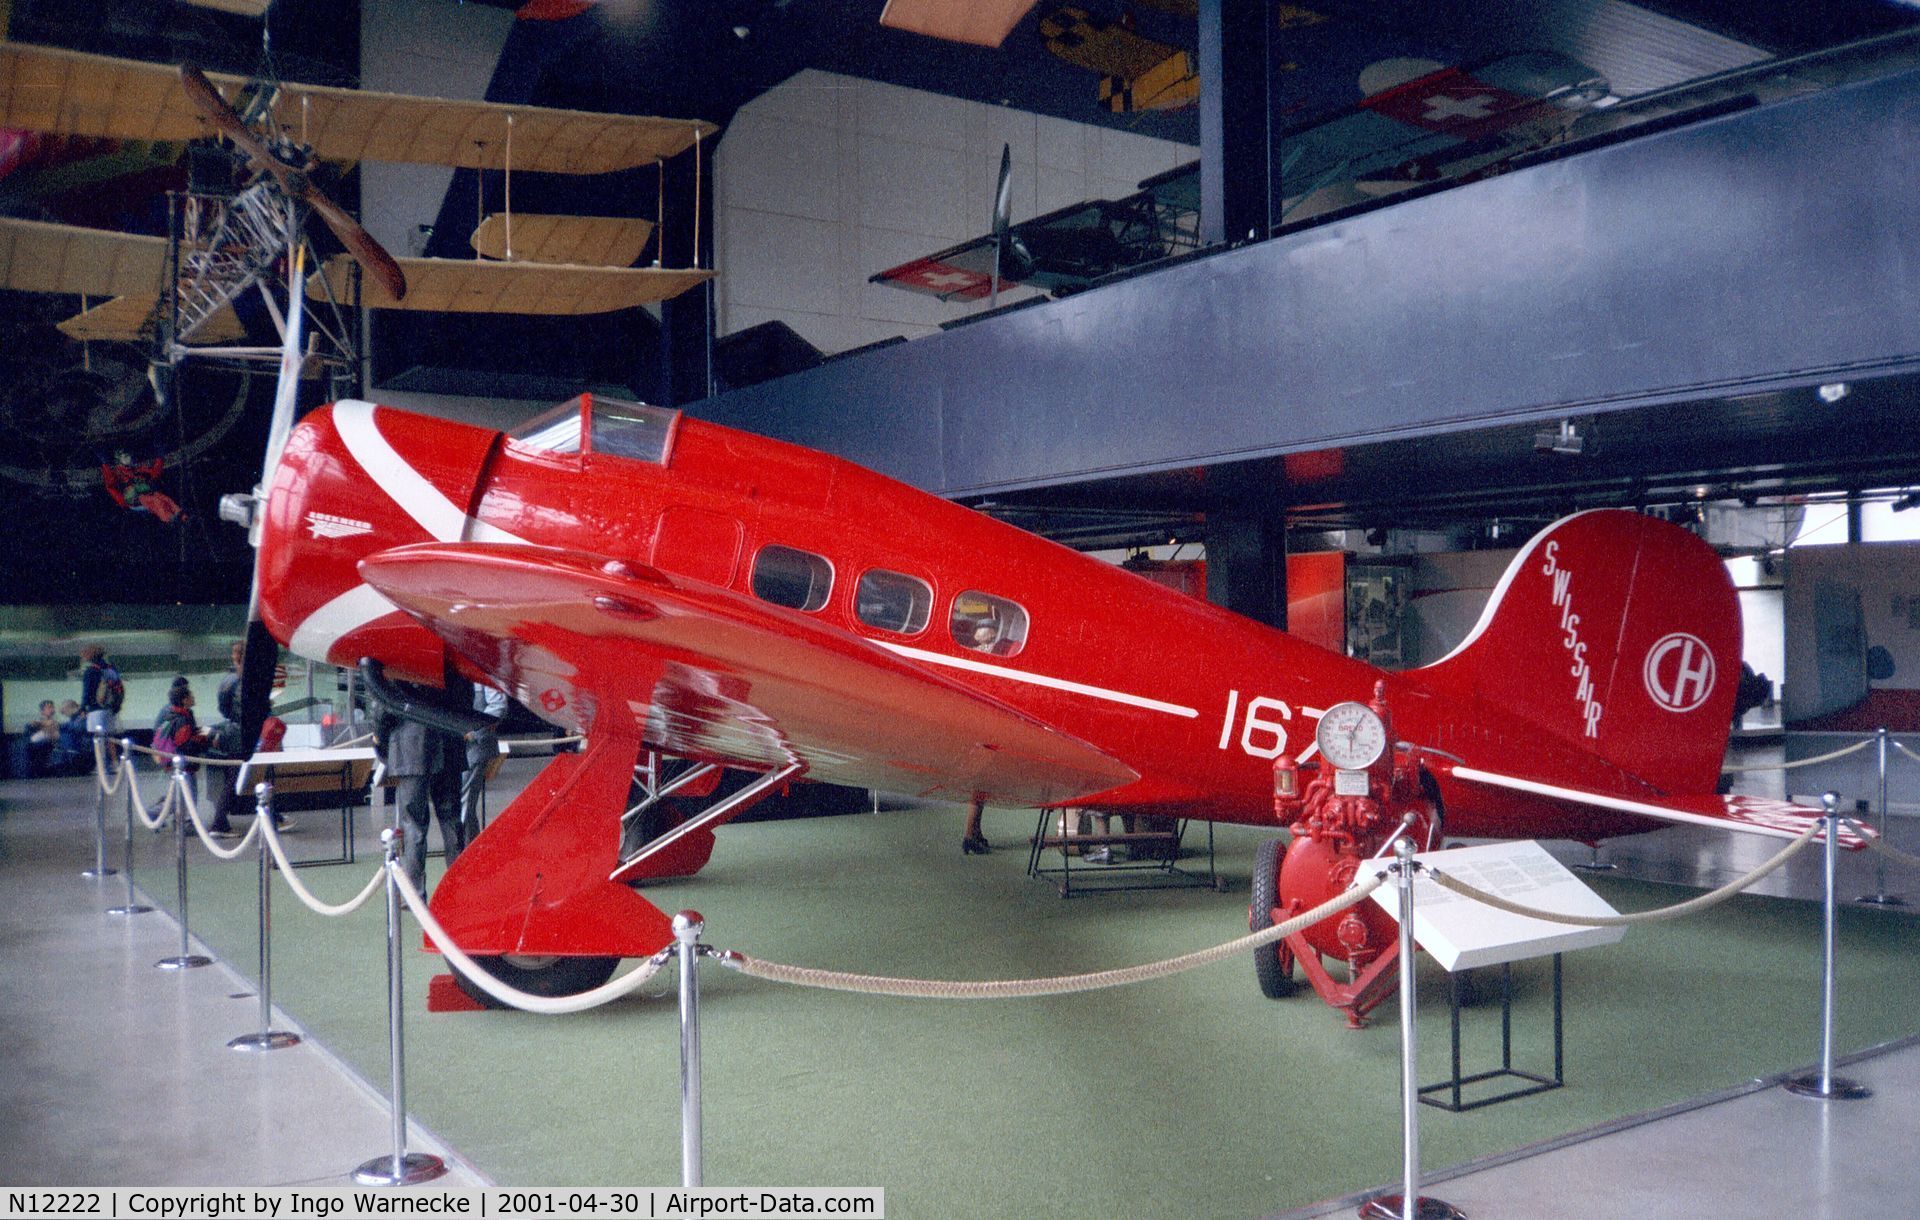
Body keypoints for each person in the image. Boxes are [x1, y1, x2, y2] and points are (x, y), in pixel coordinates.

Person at [373, 682, 467, 899]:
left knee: (413, 824)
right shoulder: (447, 659)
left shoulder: (403, 657)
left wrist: (379, 737)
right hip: (449, 742)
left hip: (411, 748)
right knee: (452, 821)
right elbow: (465, 696)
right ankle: (459, 888)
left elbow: (386, 702)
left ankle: (414, 894)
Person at [461, 683, 507, 844]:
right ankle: (468, 853)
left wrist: (473, 732)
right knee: (463, 807)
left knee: (464, 805)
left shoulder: (484, 671)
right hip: (458, 747)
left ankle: (466, 856)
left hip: (476, 748)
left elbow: (498, 706)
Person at [78, 644, 125, 741]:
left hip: (96, 709)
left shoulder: (90, 671)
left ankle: (101, 756)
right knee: (109, 739)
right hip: (110, 709)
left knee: (98, 740)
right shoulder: (111, 668)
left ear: (88, 656)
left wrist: (82, 708)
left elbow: (87, 692)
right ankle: (112, 756)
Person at [24, 700, 58, 776]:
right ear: (42, 711)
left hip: (51, 747)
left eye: (52, 707)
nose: (52, 709)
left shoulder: (55, 723)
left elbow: (55, 735)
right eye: (49, 707)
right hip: (38, 749)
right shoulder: (34, 723)